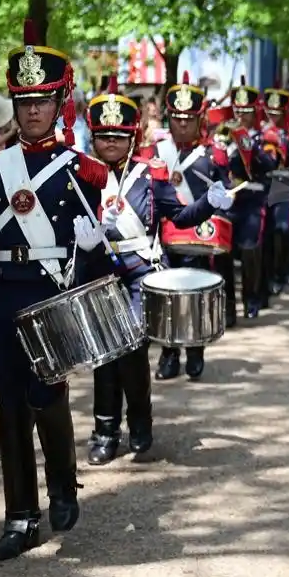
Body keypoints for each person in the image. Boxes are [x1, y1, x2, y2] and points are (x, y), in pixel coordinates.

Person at [0, 23, 111, 561]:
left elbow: (93, 250)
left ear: (59, 101)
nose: (33, 112)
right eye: (24, 102)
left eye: (42, 101)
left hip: (49, 293)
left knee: (47, 396)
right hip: (1, 294)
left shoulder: (81, 171)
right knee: (7, 406)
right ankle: (20, 516)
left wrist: (93, 246)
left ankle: (64, 484)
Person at [82, 78, 231, 464]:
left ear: (131, 137)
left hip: (139, 273)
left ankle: (141, 422)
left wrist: (208, 204)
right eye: (103, 136)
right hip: (98, 271)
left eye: (117, 135)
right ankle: (104, 431)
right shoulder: (81, 176)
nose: (110, 143)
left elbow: (179, 216)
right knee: (104, 355)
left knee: (131, 349)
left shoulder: (149, 174)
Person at [151, 72, 235, 380]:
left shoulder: (213, 154)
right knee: (165, 296)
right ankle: (168, 353)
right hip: (163, 238)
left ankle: (195, 350)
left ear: (200, 119)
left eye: (188, 119)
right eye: (176, 118)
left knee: (196, 296)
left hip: (199, 238)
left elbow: (226, 195)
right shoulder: (157, 153)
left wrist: (224, 201)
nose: (182, 124)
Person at [224, 77, 277, 318]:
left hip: (253, 199)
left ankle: (251, 299)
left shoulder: (263, 137)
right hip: (228, 201)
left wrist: (248, 146)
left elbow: (269, 163)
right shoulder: (223, 135)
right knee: (222, 252)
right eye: (238, 110)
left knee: (250, 250)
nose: (241, 116)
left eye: (246, 112)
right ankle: (227, 308)